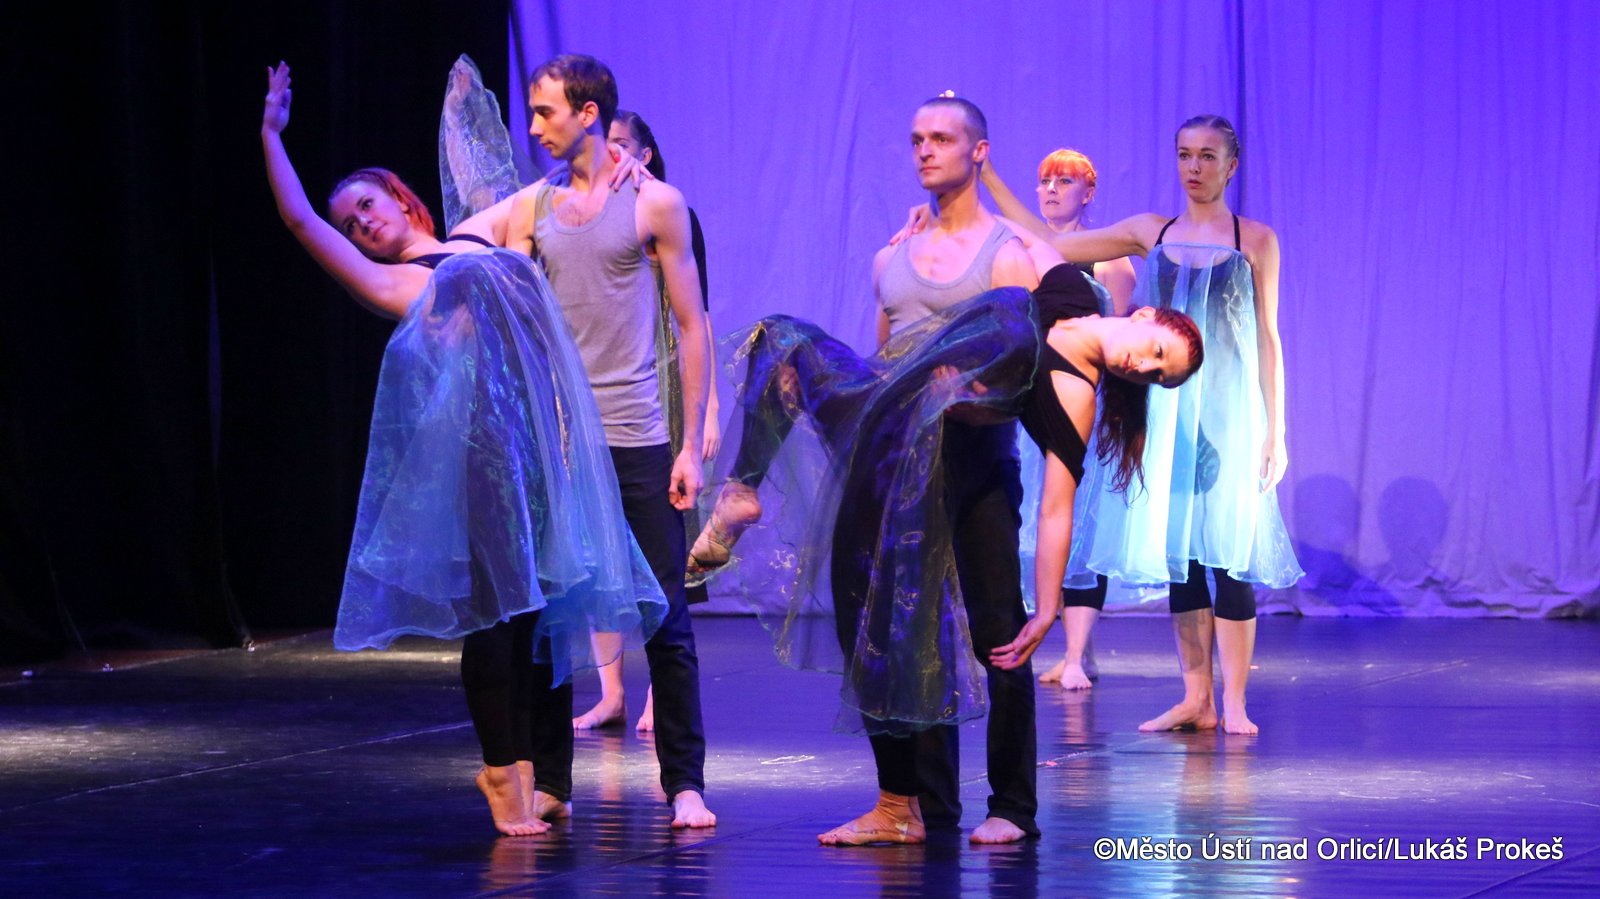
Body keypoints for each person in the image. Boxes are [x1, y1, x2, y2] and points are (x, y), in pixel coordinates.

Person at [259, 62, 665, 837]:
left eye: (367, 205)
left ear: (402, 198)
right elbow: (302, 223)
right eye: (351, 222)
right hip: (483, 467)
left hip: (540, 459)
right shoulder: (399, 284)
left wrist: (625, 166)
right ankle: (501, 772)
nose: (360, 224)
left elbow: (562, 184)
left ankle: (546, 777)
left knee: (542, 617)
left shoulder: (483, 237)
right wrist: (272, 135)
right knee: (498, 618)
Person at [979, 115, 1302, 735]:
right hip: (1168, 412)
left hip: (1230, 414)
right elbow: (1044, 240)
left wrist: (1275, 430)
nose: (1194, 167)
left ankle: (1234, 700)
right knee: (1183, 555)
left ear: (1231, 165)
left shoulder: (1255, 238)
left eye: (1207, 156)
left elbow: (1268, 336)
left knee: (1228, 553)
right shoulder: (1150, 231)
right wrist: (981, 182)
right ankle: (1196, 697)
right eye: (1185, 154)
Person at [502, 54, 717, 829]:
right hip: (560, 448)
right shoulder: (531, 208)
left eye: (546, 112)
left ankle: (684, 782)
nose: (534, 126)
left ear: (588, 113)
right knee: (551, 620)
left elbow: (691, 325)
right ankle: (553, 781)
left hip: (636, 438)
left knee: (667, 620)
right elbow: (484, 274)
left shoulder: (654, 203)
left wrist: (689, 444)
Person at [572, 109, 721, 735]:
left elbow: (696, 318)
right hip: (604, 394)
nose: (610, 154)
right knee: (597, 552)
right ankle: (610, 691)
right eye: (603, 143)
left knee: (663, 551)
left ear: (644, 154)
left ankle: (663, 690)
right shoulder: (579, 215)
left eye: (621, 145)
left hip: (659, 387)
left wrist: (708, 410)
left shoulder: (663, 210)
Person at [980, 148, 1138, 690]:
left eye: (1064, 181)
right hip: (1030, 394)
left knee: (1081, 521)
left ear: (1088, 193)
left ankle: (1074, 655)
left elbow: (1117, 339)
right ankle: (1065, 646)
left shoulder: (1109, 260)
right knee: (1039, 520)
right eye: (1044, 181)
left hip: (1080, 398)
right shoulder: (1025, 250)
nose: (1050, 190)